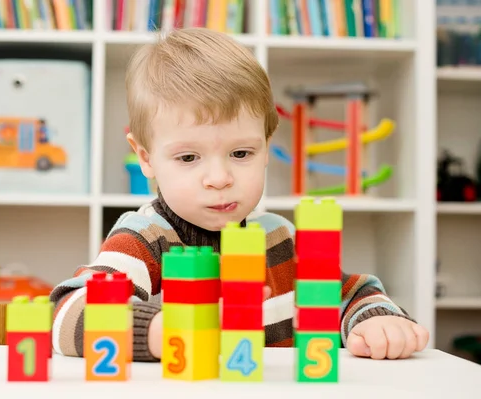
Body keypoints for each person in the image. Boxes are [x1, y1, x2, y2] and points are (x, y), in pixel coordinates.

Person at [49, 27, 429, 362]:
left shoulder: (279, 238)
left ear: (266, 147)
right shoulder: (144, 238)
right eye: (188, 157)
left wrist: (378, 319)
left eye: (241, 153)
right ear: (145, 158)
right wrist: (164, 330)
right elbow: (67, 313)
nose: (219, 178)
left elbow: (350, 294)